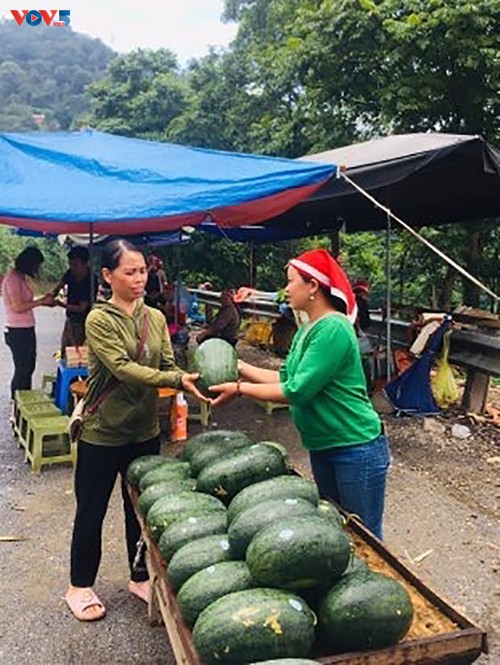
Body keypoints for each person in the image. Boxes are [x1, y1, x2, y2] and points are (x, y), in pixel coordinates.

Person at [65, 239, 206, 622]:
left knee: (141, 511)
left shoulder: (155, 318)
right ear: (108, 275)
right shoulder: (99, 320)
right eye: (130, 271)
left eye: (142, 270)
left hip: (143, 432)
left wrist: (181, 380)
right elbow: (123, 368)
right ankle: (79, 585)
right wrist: (176, 378)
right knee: (90, 511)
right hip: (102, 433)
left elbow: (164, 363)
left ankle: (139, 576)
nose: (140, 278)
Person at [210, 249, 391, 540]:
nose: (286, 289)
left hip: (355, 447)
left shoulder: (333, 328)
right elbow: (285, 377)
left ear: (313, 287)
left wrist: (239, 389)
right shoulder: (307, 329)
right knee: (333, 532)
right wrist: (237, 366)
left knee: (364, 538)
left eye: (291, 281)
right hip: (324, 445)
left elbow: (297, 390)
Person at [2, 246, 55, 401]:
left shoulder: (20, 277)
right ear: (29, 263)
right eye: (36, 265)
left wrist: (44, 302)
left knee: (28, 368)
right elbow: (17, 307)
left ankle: (24, 401)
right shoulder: (12, 279)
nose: (37, 269)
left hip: (25, 328)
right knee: (22, 370)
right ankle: (16, 404)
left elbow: (25, 302)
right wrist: (41, 301)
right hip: (17, 331)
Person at [51, 246, 94, 356]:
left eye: (75, 264)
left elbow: (81, 308)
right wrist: (51, 296)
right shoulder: (70, 273)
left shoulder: (90, 280)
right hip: (70, 318)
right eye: (70, 264)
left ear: (84, 263)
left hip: (83, 321)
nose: (72, 267)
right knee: (65, 350)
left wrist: (60, 304)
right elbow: (58, 287)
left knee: (78, 353)